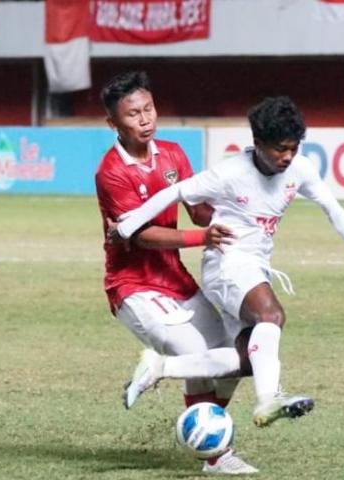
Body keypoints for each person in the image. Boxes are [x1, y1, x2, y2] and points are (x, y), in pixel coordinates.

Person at [112, 96, 344, 429]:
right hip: (226, 264)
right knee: (272, 315)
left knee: (244, 360)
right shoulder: (230, 173)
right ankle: (268, 400)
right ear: (257, 143)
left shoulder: (299, 169)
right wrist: (128, 226)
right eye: (279, 149)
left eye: (293, 148)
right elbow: (174, 193)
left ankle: (160, 368)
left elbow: (331, 206)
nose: (287, 157)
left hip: (254, 268)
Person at [94, 71, 257, 475]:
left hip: (175, 279)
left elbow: (198, 209)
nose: (145, 118)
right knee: (193, 354)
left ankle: (201, 428)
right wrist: (202, 236)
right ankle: (217, 457)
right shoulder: (111, 172)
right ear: (114, 124)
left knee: (233, 362)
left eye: (148, 109)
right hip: (133, 287)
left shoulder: (172, 154)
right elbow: (143, 234)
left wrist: (234, 212)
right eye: (133, 114)